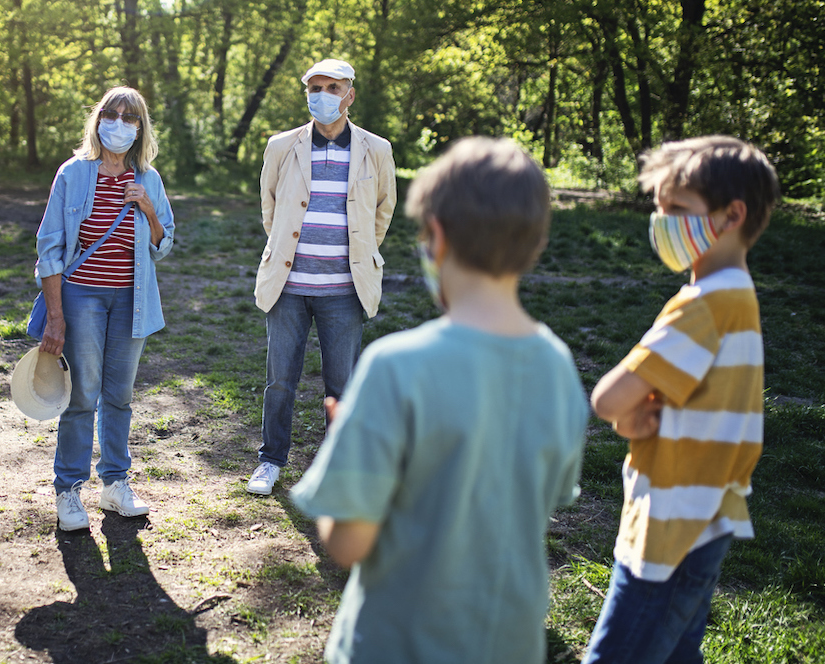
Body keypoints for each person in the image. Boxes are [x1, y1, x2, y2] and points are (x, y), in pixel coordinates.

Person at [290, 136, 588, 664]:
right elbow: (548, 495)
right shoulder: (559, 364)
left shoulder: (395, 366)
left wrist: (344, 444)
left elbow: (347, 543)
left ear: (438, 237)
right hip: (510, 642)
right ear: (536, 244)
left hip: (397, 643)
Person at [582, 137, 780, 664]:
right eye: (658, 207)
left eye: (678, 210)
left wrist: (625, 411)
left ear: (730, 215)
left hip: (671, 527)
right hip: (708, 513)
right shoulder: (740, 295)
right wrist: (637, 419)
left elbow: (607, 398)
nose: (661, 221)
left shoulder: (703, 305)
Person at [247, 58, 396, 496]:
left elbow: (383, 210)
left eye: (333, 87)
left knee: (342, 385)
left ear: (350, 94)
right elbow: (269, 207)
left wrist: (361, 253)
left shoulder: (376, 148)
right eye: (315, 87)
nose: (323, 95)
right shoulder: (281, 145)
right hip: (288, 288)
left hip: (344, 290)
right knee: (280, 380)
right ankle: (270, 461)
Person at [34, 85, 175, 532]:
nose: (119, 123)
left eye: (129, 117)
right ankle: (68, 489)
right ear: (98, 121)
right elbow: (50, 248)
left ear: (140, 127)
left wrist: (149, 210)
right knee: (82, 393)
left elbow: (163, 245)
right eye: (111, 115)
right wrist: (55, 317)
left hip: (132, 299)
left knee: (120, 395)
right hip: (83, 297)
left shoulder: (149, 178)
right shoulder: (74, 173)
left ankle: (115, 484)